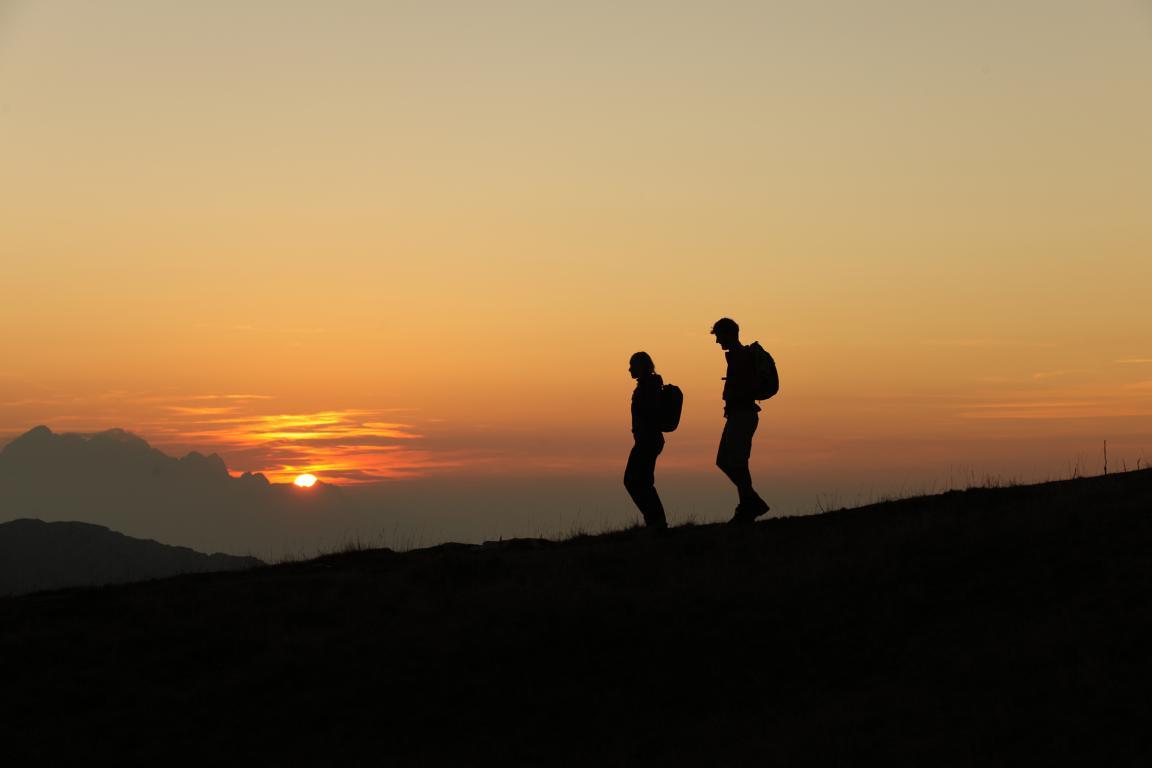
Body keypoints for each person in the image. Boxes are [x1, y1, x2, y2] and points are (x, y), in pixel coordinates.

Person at [711, 317, 770, 525]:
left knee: (737, 462)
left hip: (743, 415)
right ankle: (750, 501)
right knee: (725, 461)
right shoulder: (736, 356)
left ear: (729, 334)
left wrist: (736, 397)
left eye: (719, 336)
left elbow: (749, 387)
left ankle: (748, 505)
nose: (717, 341)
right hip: (737, 415)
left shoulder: (741, 357)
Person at [624, 351, 668, 529]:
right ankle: (656, 522)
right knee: (640, 481)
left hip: (648, 440)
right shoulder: (648, 385)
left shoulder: (649, 386)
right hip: (647, 439)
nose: (629, 369)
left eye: (632, 365)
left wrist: (643, 431)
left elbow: (649, 413)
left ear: (641, 366)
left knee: (635, 481)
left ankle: (656, 522)